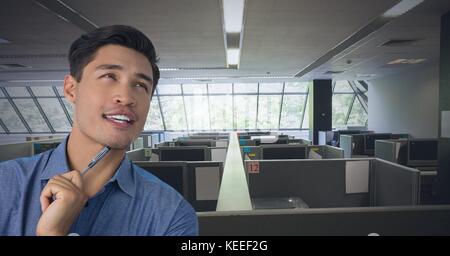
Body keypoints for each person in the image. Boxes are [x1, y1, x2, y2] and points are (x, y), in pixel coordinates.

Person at [0, 25, 198, 236]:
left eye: (140, 85)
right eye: (109, 76)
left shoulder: (171, 215)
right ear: (71, 89)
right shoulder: (5, 183)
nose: (127, 97)